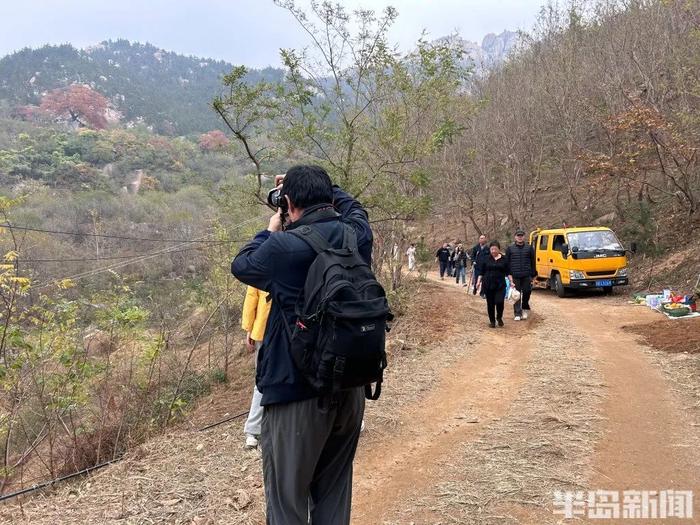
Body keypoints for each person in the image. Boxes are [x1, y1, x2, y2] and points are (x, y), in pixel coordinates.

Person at [231, 165, 372, 524]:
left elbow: (242, 264)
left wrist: (271, 226)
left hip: (295, 391)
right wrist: (329, 188)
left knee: (286, 504)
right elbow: (356, 208)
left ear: (288, 202)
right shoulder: (356, 235)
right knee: (333, 497)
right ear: (329, 198)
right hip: (350, 385)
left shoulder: (282, 246)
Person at [241, 285, 271, 449]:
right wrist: (249, 328)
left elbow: (252, 296)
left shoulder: (260, 262)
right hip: (283, 329)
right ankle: (253, 430)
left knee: (261, 380)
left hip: (265, 329)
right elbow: (252, 295)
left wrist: (249, 328)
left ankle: (253, 431)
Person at [476, 241, 513, 328]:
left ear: (499, 249)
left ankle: (499, 317)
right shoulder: (486, 259)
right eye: (491, 249)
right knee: (490, 303)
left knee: (499, 302)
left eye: (495, 249)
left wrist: (511, 282)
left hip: (500, 284)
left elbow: (509, 272)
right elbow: (481, 272)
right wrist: (478, 282)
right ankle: (492, 321)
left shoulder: (504, 259)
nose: (493, 251)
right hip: (488, 284)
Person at [506, 228, 537, 321]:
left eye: (521, 236)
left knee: (527, 292)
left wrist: (533, 274)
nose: (520, 237)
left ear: (524, 237)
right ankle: (517, 313)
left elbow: (533, 262)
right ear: (515, 237)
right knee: (516, 295)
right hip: (515, 275)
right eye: (518, 236)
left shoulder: (529, 248)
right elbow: (507, 263)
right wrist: (508, 274)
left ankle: (525, 308)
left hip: (526, 275)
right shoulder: (510, 249)